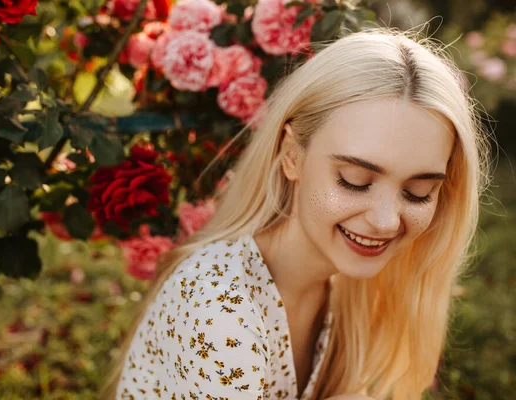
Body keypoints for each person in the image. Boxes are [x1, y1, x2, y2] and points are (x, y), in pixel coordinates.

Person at [100, 27, 492, 400]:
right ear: (291, 156)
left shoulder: (340, 289)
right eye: (354, 180)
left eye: (418, 192)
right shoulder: (219, 310)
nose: (387, 220)